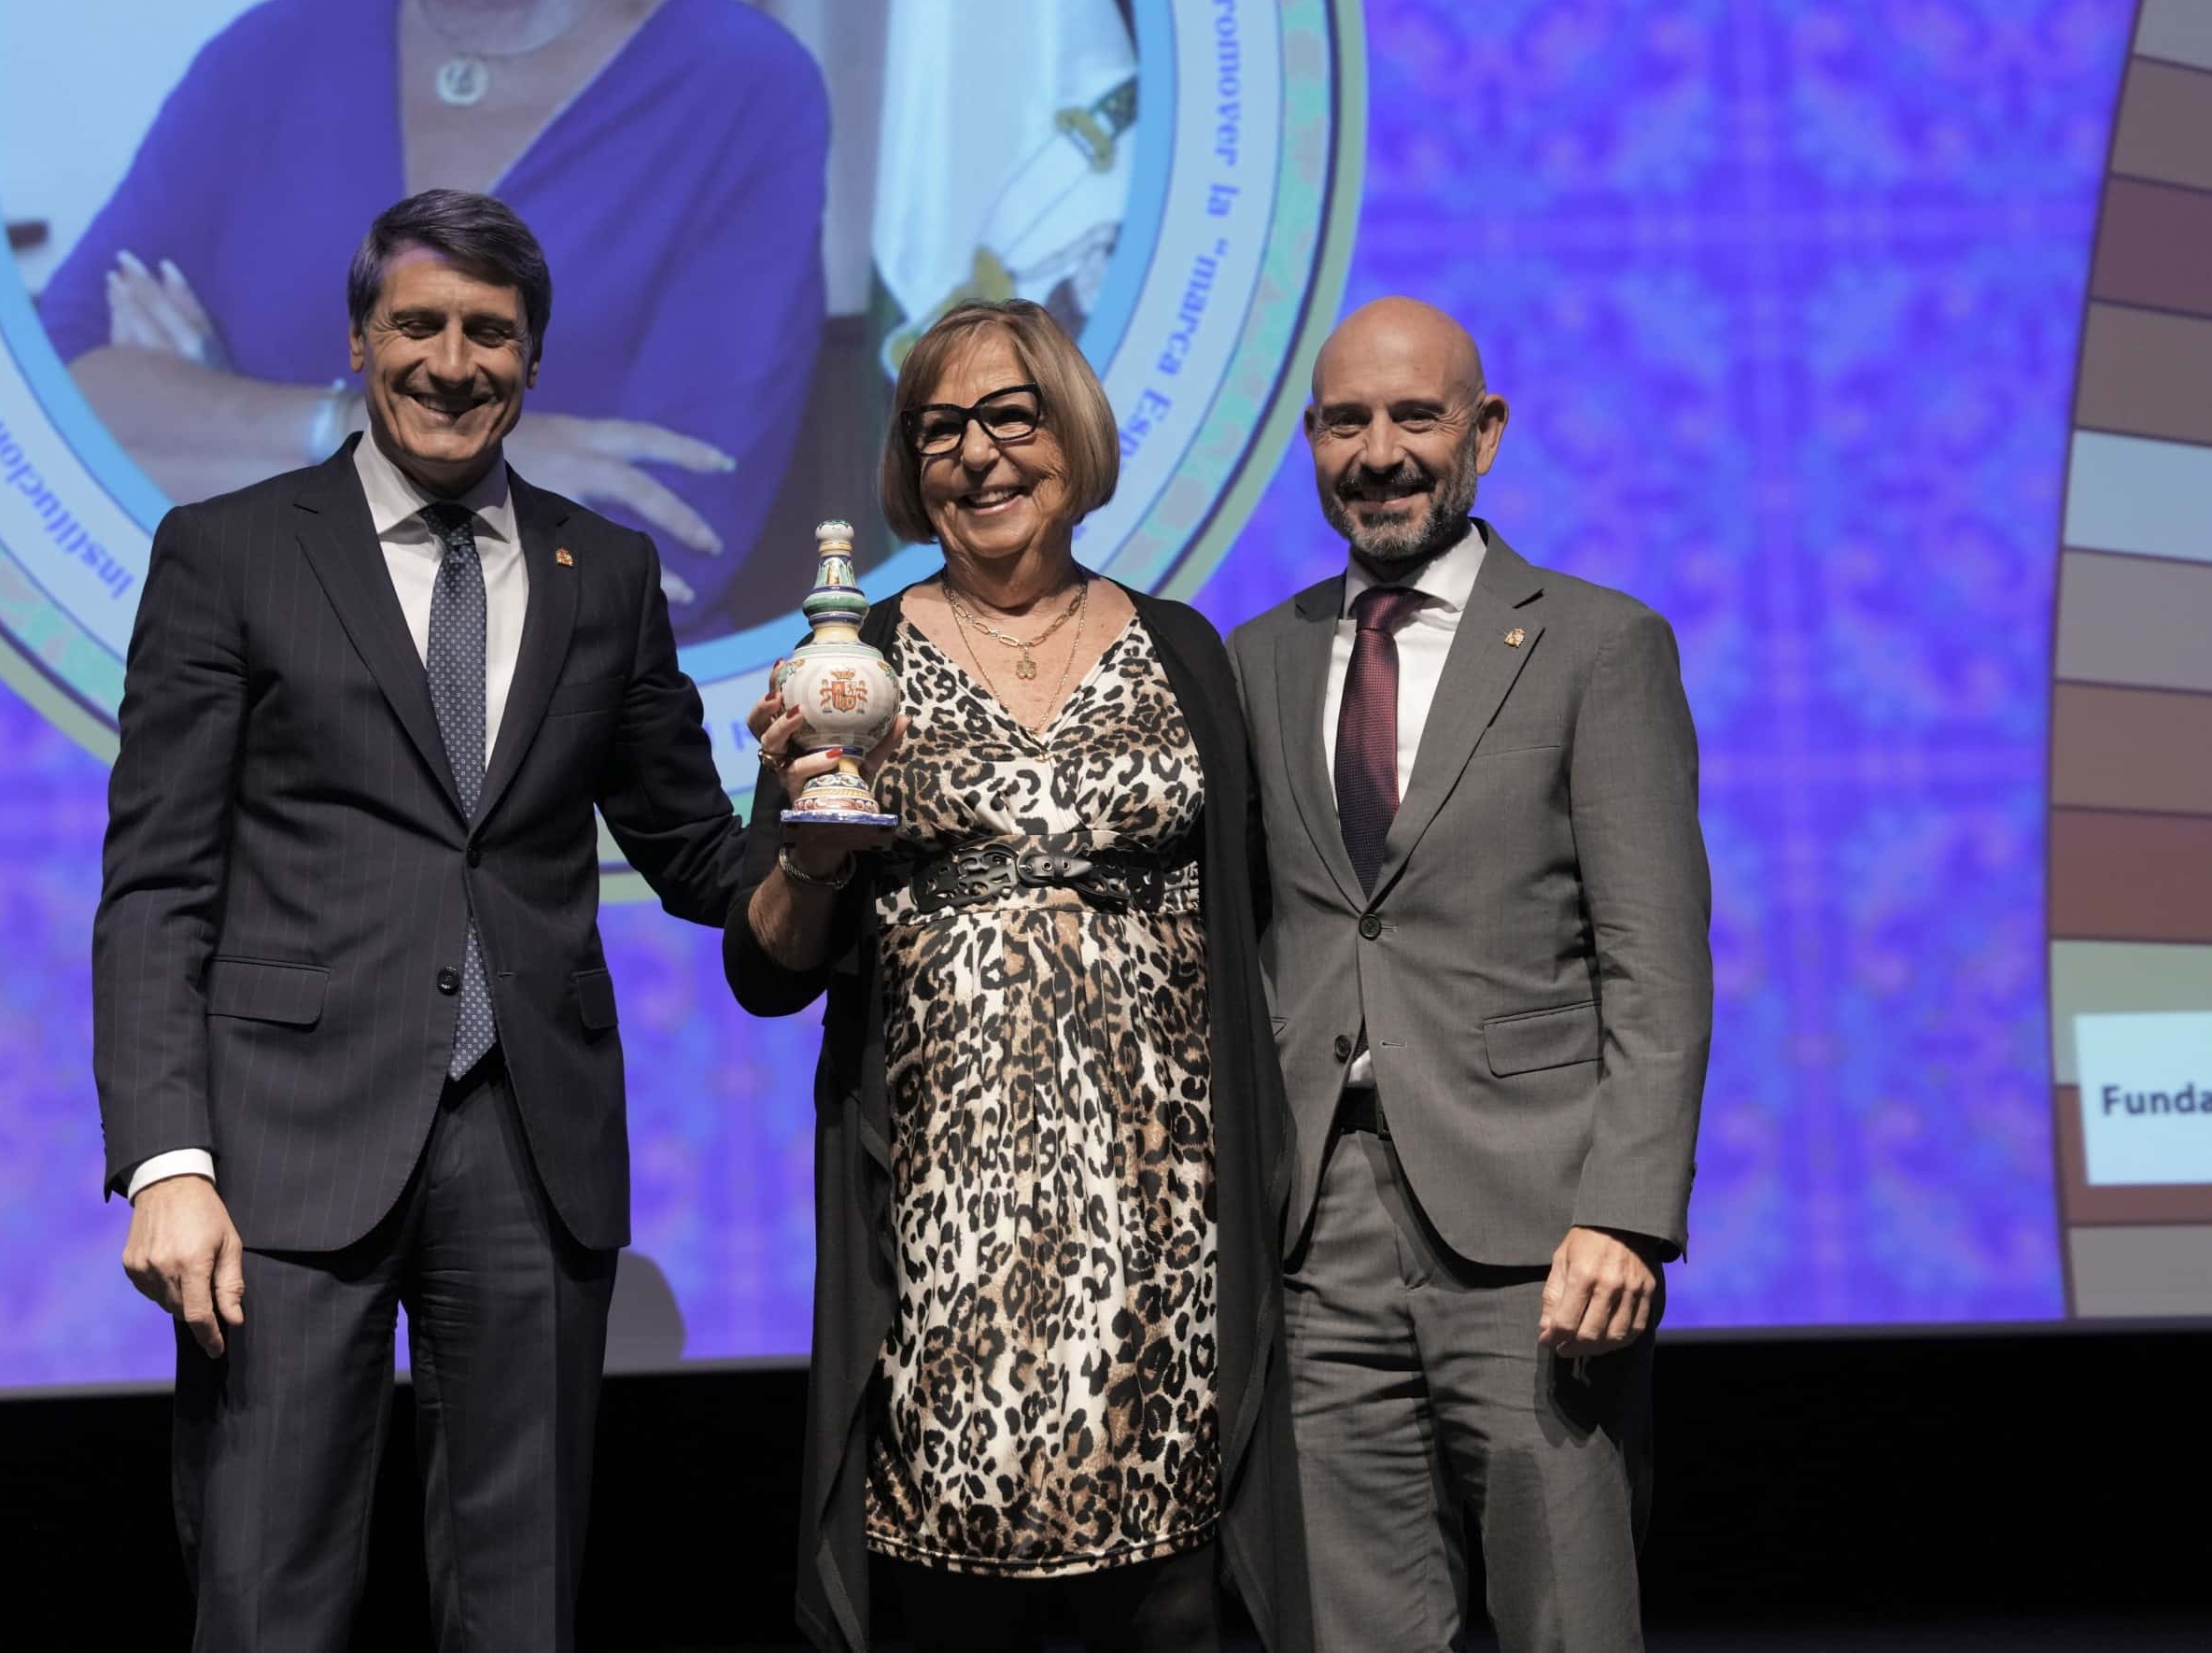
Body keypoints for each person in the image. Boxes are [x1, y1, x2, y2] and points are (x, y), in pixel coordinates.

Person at [91, 189, 741, 1651]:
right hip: (280, 1160)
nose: (454, 363)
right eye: (420, 325)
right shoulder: (227, 552)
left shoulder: (605, 571)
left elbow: (698, 854)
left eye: (490, 334)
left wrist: (832, 827)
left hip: (533, 1151)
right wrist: (164, 1162)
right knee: (267, 1599)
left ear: (533, 359)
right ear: (359, 341)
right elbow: (157, 885)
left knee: (524, 1612)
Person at [726, 299, 1310, 1653]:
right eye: (939, 430)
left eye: (1008, 416)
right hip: (942, 1222)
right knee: (949, 1590)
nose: (975, 455)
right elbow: (764, 970)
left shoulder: (1181, 652)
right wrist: (810, 857)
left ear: (1074, 435)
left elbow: (1260, 919)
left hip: (1161, 1220)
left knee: (1168, 1597)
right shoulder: (846, 662)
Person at [1229, 296, 1712, 1650]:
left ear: (1482, 434)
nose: (1377, 453)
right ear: (1310, 445)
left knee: (1566, 1617)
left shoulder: (1595, 645)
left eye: (1414, 417)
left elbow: (1655, 965)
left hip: (1537, 1245)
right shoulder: (1256, 659)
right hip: (1316, 1242)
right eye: (1343, 423)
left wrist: (1627, 1213)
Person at [36, 0, 827, 629]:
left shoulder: (744, 82)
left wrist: (207, 423)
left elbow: (663, 548)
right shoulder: (265, 56)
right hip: (251, 716)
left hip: (571, 751)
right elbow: (51, 416)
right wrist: (362, 434)